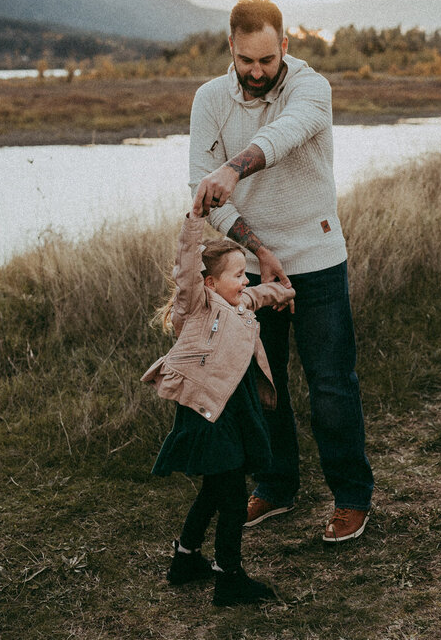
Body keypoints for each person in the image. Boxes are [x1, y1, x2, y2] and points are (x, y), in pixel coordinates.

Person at [188, 0, 374, 543]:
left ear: (285, 47)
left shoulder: (311, 88)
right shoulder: (209, 100)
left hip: (317, 258)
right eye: (247, 60)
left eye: (268, 59)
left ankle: (352, 497)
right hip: (249, 266)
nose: (257, 71)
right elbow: (205, 193)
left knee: (332, 384)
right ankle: (276, 485)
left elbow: (286, 134)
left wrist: (233, 165)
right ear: (231, 49)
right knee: (262, 384)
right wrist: (255, 248)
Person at [142, 214, 295, 606]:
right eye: (238, 275)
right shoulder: (196, 305)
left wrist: (283, 294)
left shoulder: (238, 301)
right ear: (210, 283)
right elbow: (186, 268)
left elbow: (260, 296)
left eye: (246, 275)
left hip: (236, 410)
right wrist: (195, 220)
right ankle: (228, 578)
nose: (245, 282)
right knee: (231, 498)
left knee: (215, 489)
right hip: (210, 415)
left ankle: (185, 559)